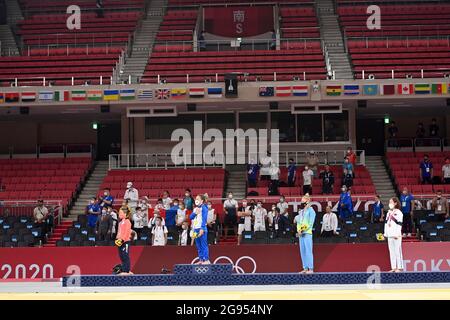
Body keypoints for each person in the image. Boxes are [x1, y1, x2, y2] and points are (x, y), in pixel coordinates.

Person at [294, 194, 316, 273]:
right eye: (301, 201)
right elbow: (299, 222)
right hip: (301, 234)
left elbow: (310, 223)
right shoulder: (301, 212)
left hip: (307, 233)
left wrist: (302, 230)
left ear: (307, 201)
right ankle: (305, 268)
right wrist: (299, 230)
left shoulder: (311, 211)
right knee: (302, 251)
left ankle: (311, 268)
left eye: (303, 201)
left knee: (308, 251)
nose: (301, 202)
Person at [384, 197, 404, 272]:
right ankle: (394, 267)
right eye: (389, 202)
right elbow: (386, 224)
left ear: (395, 203)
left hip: (396, 235)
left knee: (398, 251)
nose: (390, 204)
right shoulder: (388, 212)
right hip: (389, 235)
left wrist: (397, 234)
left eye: (391, 202)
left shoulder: (399, 212)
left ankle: (400, 267)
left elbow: (399, 224)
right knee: (391, 252)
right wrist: (385, 234)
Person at [190, 194, 210, 264]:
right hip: (195, 229)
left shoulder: (204, 207)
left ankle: (206, 260)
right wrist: (195, 213)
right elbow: (190, 217)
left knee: (203, 244)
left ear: (201, 201)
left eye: (198, 199)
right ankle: (201, 259)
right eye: (196, 199)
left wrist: (202, 228)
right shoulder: (195, 208)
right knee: (198, 245)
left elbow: (204, 219)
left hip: (202, 228)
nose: (196, 200)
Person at [115, 209, 133, 275]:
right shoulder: (120, 223)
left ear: (125, 214)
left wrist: (122, 240)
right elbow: (119, 232)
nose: (119, 214)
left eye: (121, 213)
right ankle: (124, 269)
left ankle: (126, 270)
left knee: (125, 256)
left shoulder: (128, 222)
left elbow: (126, 232)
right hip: (120, 242)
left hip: (125, 242)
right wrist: (117, 239)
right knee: (121, 256)